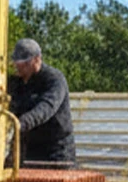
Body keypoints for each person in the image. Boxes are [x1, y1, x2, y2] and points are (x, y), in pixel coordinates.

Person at [7, 37, 76, 166]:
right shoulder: (15, 83)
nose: (20, 67)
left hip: (56, 152)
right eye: (17, 63)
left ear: (37, 59)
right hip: (29, 149)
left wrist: (20, 123)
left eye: (25, 63)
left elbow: (45, 108)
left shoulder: (54, 80)